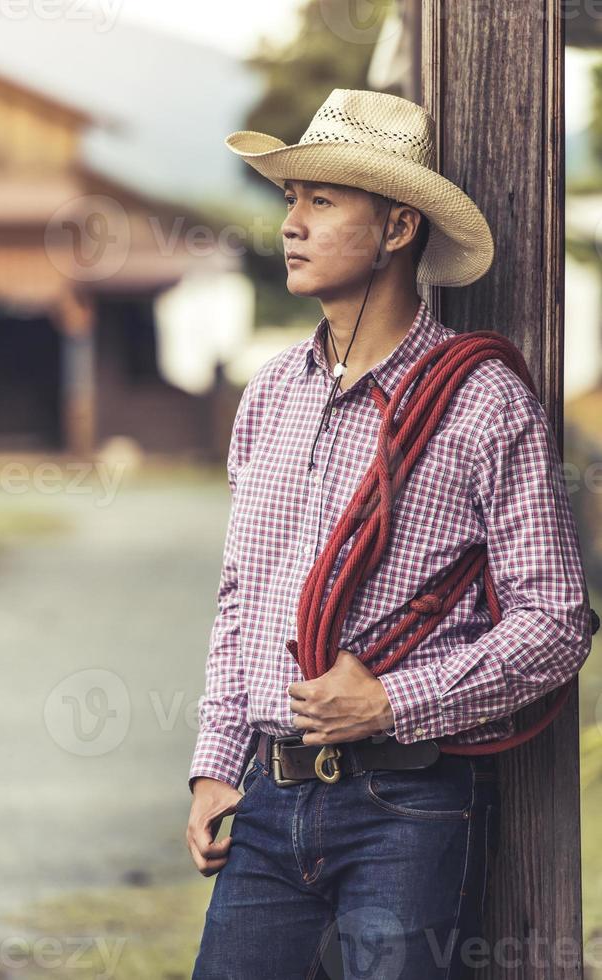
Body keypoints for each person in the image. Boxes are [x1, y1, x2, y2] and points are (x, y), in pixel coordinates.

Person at [185, 89, 593, 979]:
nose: (291, 222)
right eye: (291, 198)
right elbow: (239, 601)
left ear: (399, 227)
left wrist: (395, 703)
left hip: (403, 800)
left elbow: (558, 619)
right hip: (267, 793)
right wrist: (216, 764)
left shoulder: (483, 403)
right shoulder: (269, 397)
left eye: (322, 200)